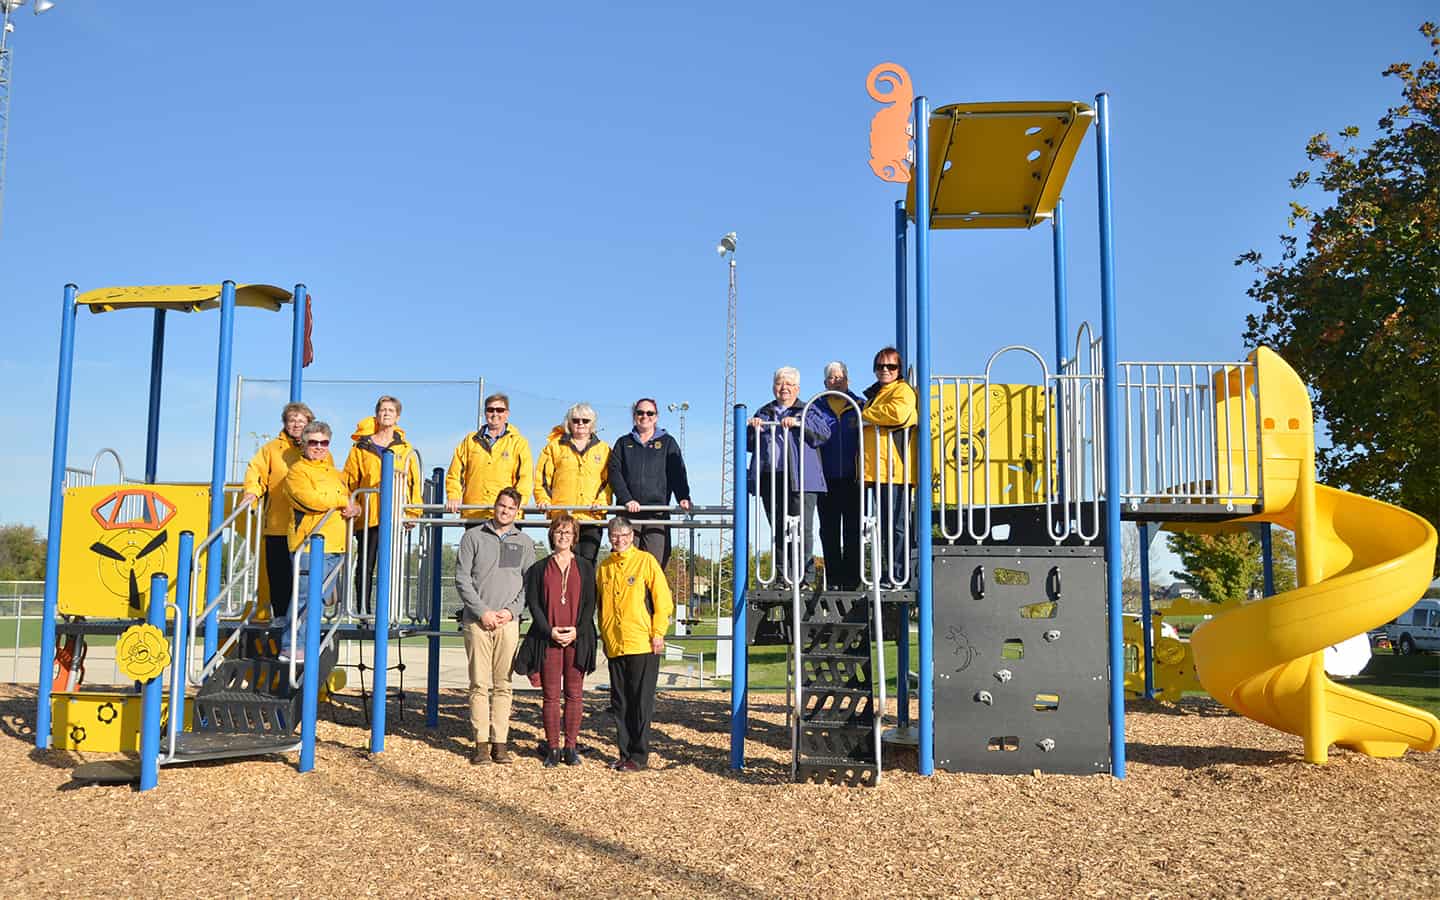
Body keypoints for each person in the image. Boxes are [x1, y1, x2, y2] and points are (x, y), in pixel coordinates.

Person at [455, 487, 534, 764]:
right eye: (502, 506)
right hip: (477, 622)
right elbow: (462, 579)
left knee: (503, 684)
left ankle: (500, 743)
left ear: (517, 512)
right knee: (479, 683)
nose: (505, 511)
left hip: (507, 624)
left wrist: (510, 613)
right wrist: (482, 612)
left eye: (511, 508)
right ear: (495, 506)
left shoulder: (524, 542)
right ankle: (481, 744)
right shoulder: (472, 537)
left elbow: (527, 584)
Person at [513, 513, 597, 768]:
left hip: (576, 638)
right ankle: (552, 747)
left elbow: (590, 604)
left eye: (568, 532)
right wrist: (549, 630)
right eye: (559, 532)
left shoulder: (585, 566)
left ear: (574, 537)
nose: (563, 536)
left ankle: (570, 747)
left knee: (574, 695)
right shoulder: (539, 568)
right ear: (552, 535)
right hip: (548, 639)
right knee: (550, 696)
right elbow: (535, 604)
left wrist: (577, 631)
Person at [595, 516, 673, 771]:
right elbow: (601, 606)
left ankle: (638, 756)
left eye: (624, 535)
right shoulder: (604, 567)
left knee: (640, 702)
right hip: (615, 644)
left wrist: (658, 631)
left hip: (642, 642)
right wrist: (604, 635)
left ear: (632, 536)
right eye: (615, 536)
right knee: (620, 703)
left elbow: (663, 599)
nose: (620, 540)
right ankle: (624, 752)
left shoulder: (645, 561)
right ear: (610, 538)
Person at [242, 402, 331, 622]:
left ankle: (302, 620)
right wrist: (251, 493)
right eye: (292, 420)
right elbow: (257, 473)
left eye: (302, 421)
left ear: (310, 423)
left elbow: (328, 479)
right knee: (279, 574)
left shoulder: (319, 449)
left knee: (303, 577)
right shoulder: (271, 449)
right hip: (278, 522)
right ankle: (281, 616)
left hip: (307, 525)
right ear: (285, 423)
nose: (296, 425)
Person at [281, 421, 360, 662]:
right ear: (304, 444)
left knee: (321, 598)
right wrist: (340, 500)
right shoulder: (297, 471)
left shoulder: (335, 474)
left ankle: (308, 642)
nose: (318, 447)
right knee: (306, 597)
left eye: (323, 443)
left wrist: (353, 508)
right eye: (313, 442)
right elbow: (308, 499)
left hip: (337, 545)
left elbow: (348, 501)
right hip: (310, 545)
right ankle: (291, 646)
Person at [747, 366, 831, 587]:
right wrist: (753, 428)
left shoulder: (807, 410)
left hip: (802, 479)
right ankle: (783, 575)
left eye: (789, 384)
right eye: (779, 383)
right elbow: (748, 444)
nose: (784, 388)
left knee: (801, 527)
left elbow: (823, 434)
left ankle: (803, 575)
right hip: (771, 477)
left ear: (797, 388)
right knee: (778, 527)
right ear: (774, 387)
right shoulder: (764, 412)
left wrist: (798, 423)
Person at [342, 395, 422, 615]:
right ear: (376, 415)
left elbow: (414, 483)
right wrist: (351, 504)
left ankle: (387, 611)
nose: (386, 413)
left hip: (394, 514)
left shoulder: (404, 448)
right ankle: (363, 611)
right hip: (369, 515)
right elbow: (349, 481)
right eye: (382, 410)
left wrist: (413, 512)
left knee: (390, 566)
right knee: (366, 565)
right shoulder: (360, 448)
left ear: (397, 416)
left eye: (390, 410)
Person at [608, 398, 692, 568]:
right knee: (625, 563)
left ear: (656, 417)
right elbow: (614, 473)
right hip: (628, 513)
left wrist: (683, 496)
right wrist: (626, 499)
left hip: (657, 512)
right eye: (640, 412)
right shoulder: (623, 443)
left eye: (649, 413)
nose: (644, 416)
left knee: (654, 564)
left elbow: (677, 472)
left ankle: (650, 596)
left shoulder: (668, 442)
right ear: (634, 416)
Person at [861, 347, 917, 588]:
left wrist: (865, 414)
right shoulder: (877, 394)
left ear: (899, 370)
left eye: (891, 366)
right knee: (884, 526)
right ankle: (889, 573)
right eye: (881, 366)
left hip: (896, 471)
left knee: (898, 525)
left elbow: (899, 414)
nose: (885, 370)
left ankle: (899, 574)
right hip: (878, 470)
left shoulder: (903, 390)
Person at [534, 402, 611, 567]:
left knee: (587, 566)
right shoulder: (554, 447)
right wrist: (543, 499)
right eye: (576, 420)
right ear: (569, 423)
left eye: (585, 420)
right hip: (562, 516)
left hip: (591, 517)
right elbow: (542, 477)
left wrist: (602, 502)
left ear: (593, 424)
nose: (580, 424)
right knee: (562, 564)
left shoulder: (604, 450)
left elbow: (608, 482)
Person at [815, 362, 865, 590]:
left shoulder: (861, 405)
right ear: (825, 383)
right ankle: (834, 580)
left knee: (854, 529)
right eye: (831, 378)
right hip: (825, 479)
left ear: (848, 380)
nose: (836, 381)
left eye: (840, 377)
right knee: (829, 530)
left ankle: (853, 580)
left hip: (854, 478)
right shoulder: (816, 406)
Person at [445, 393, 533, 522]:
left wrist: (517, 505)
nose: (495, 414)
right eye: (490, 409)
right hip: (474, 514)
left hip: (507, 517)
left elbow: (525, 478)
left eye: (500, 410)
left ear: (507, 414)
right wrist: (453, 496)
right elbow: (455, 474)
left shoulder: (519, 443)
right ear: (485, 413)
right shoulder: (470, 441)